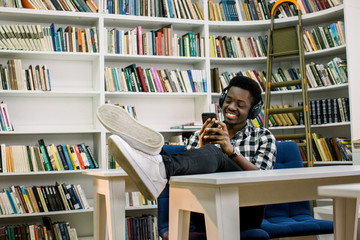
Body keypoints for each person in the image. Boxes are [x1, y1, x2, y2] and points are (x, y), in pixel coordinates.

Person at [97, 75, 277, 236]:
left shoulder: (263, 137)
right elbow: (184, 176)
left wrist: (231, 152)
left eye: (240, 105)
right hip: (201, 210)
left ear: (253, 111)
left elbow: (263, 179)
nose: (231, 107)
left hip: (245, 212)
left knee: (216, 153)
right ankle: (150, 152)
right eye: (228, 100)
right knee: (195, 153)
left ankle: (157, 165)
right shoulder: (202, 133)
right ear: (222, 99)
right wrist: (201, 149)